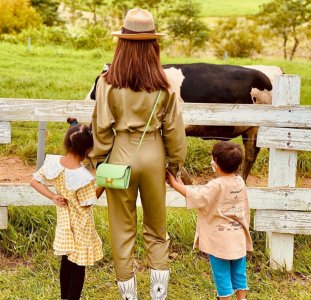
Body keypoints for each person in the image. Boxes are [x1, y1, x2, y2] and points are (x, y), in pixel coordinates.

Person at [88, 8, 187, 300]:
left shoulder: (107, 82)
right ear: (153, 45)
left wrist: (99, 162)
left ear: (122, 43)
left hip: (120, 154)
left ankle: (129, 297)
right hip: (154, 152)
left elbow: (102, 128)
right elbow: (174, 129)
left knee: (122, 230)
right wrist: (175, 163)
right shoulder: (165, 82)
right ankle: (158, 295)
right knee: (157, 229)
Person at [166, 141, 253, 300]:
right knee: (239, 272)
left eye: (213, 159)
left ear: (217, 165)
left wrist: (174, 184)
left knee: (222, 275)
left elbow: (197, 197)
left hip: (220, 241)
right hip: (238, 237)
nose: (211, 162)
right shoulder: (240, 182)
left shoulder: (216, 185)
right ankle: (242, 298)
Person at [30, 118, 104, 300]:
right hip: (81, 227)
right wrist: (103, 184)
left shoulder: (55, 163)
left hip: (65, 224)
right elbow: (87, 203)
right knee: (78, 267)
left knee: (66, 263)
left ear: (67, 142)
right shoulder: (84, 177)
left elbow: (34, 181)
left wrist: (53, 196)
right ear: (88, 150)